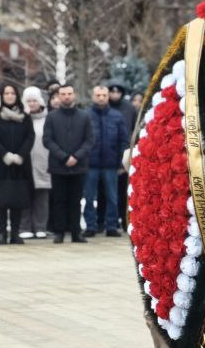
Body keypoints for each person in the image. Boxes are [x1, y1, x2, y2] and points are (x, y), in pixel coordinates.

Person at [0, 83, 34, 245]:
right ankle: (2, 233)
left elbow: (30, 137)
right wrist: (4, 154)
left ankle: (15, 234)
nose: (10, 96)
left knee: (17, 199)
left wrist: (20, 155)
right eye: (6, 93)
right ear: (2, 96)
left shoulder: (25, 116)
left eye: (12, 93)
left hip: (19, 164)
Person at [42, 83, 93, 244]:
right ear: (58, 96)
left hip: (79, 166)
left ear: (74, 95)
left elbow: (89, 140)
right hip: (58, 166)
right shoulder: (51, 117)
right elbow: (48, 140)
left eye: (69, 93)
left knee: (75, 201)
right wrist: (64, 157)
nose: (66, 96)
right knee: (59, 200)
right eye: (63, 94)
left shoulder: (84, 116)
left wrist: (76, 156)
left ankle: (76, 232)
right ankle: (59, 232)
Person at [83, 83, 128, 237]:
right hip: (90, 163)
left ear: (108, 97)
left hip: (111, 164)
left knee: (112, 197)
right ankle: (90, 226)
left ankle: (111, 226)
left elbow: (124, 140)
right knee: (89, 197)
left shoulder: (117, 116)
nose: (101, 98)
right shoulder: (86, 115)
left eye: (104, 95)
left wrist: (123, 162)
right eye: (98, 95)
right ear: (93, 96)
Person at [21, 87, 51, 238]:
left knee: (42, 197)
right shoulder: (20, 118)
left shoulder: (47, 119)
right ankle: (25, 226)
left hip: (43, 162)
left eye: (34, 100)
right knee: (24, 195)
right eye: (28, 101)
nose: (32, 104)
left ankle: (40, 226)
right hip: (24, 163)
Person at [108, 82, 137, 230]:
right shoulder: (105, 107)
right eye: (111, 92)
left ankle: (126, 221)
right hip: (107, 155)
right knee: (107, 192)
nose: (114, 95)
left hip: (125, 153)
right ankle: (107, 222)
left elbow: (134, 130)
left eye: (117, 92)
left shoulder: (130, 108)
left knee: (125, 192)